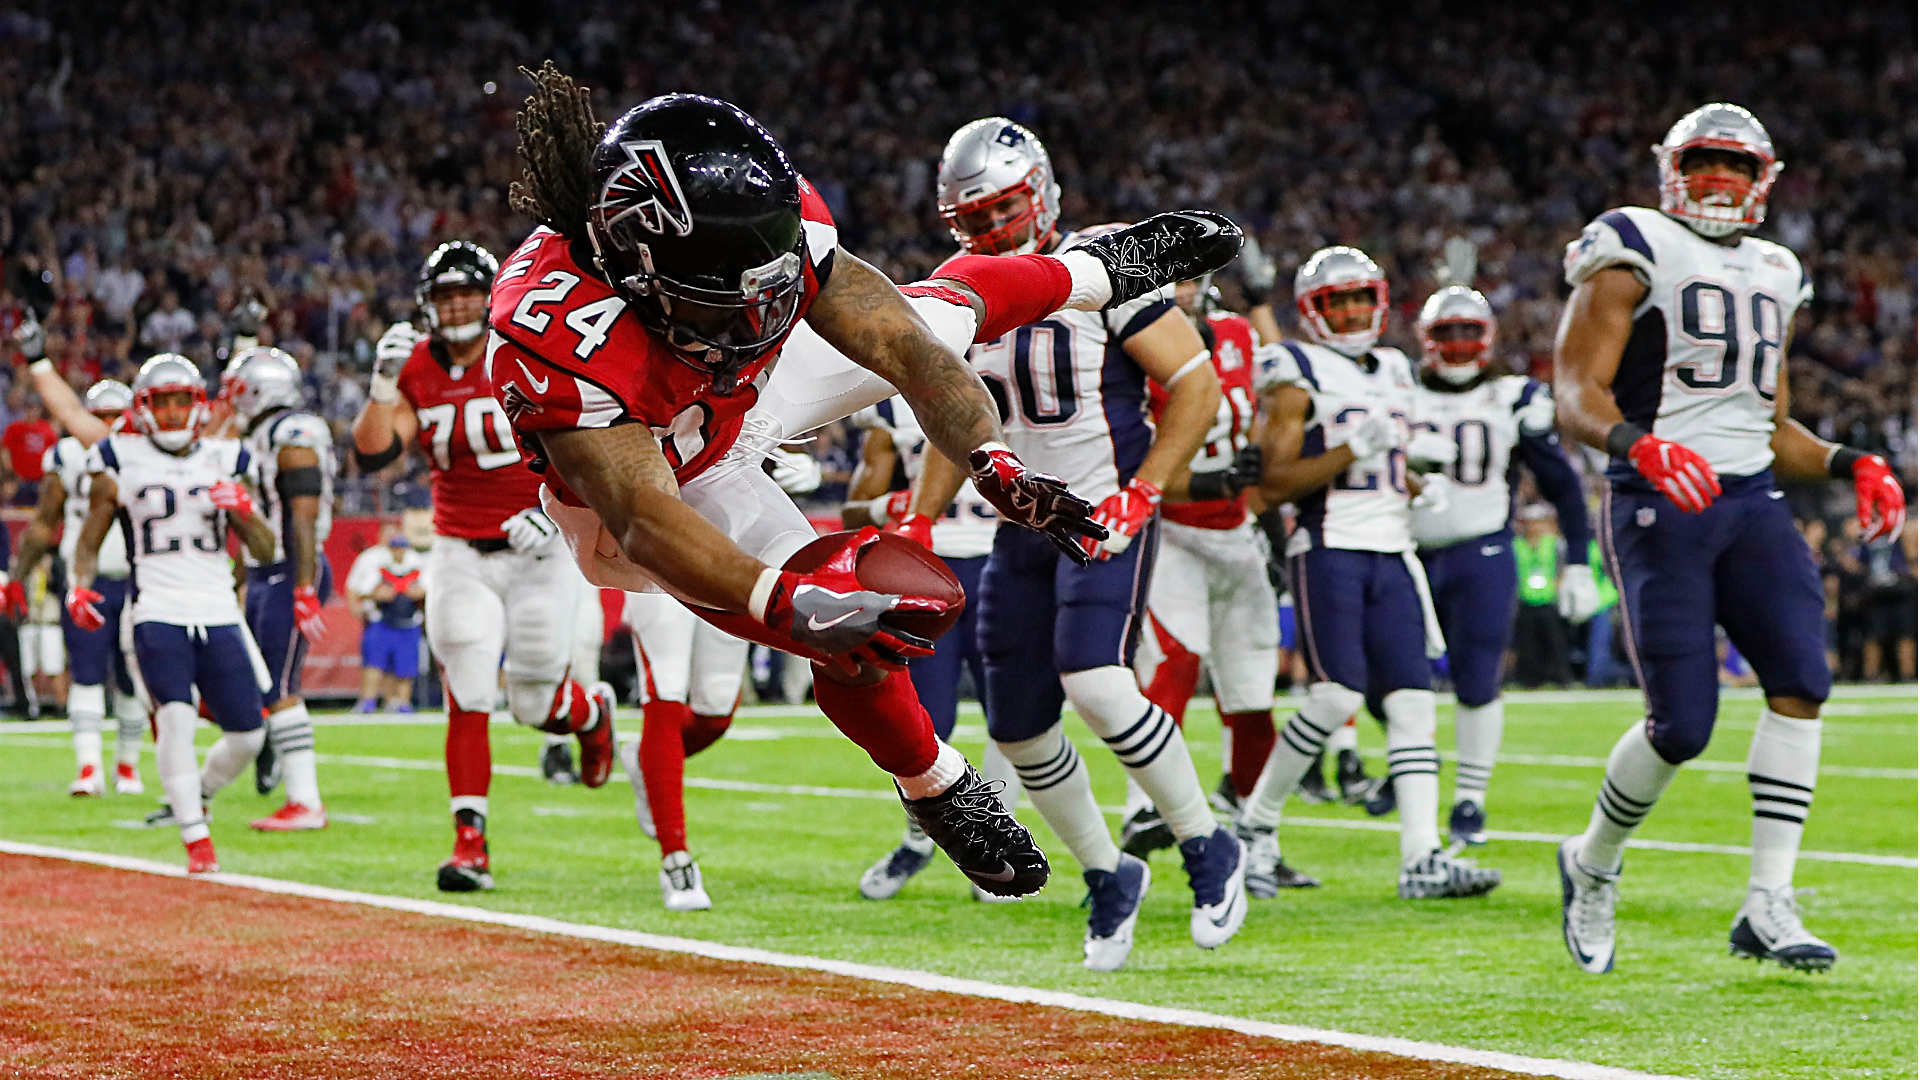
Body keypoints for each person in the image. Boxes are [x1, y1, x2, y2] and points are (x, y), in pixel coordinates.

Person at [484, 68, 1237, 909]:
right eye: (722, 303)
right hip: (664, 477)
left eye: (768, 293)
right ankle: (935, 783)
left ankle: (1099, 270)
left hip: (740, 397)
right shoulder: (553, 333)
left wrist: (994, 461)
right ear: (640, 269)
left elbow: (908, 348)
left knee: (941, 307)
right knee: (851, 608)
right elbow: (645, 517)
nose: (759, 318)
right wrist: (790, 603)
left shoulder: (772, 233)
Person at [1552, 102, 1905, 974]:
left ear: (1764, 180)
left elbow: (1772, 423)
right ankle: (1592, 860)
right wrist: (1639, 443)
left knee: (1802, 682)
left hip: (1751, 501)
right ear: (1673, 166)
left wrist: (1851, 459)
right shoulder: (1630, 240)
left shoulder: (1778, 269)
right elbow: (1573, 392)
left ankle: (1767, 904)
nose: (1719, 179)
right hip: (1658, 500)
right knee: (1682, 727)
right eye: (1705, 161)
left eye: (1735, 166)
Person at [900, 117, 1248, 971]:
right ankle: (1107, 872)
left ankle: (1207, 844)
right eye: (974, 221)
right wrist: (915, 522)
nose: (992, 233)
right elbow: (958, 425)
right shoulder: (962, 288)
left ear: (1043, 193)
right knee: (1016, 731)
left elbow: (1194, 383)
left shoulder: (1103, 261)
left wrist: (1145, 491)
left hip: (1103, 511)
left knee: (1095, 679)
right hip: (1023, 526)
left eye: (1004, 211)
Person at [1232, 245, 1503, 900]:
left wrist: (1414, 482)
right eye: (1336, 302)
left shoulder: (1394, 368)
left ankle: (1422, 858)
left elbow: (1383, 460)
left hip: (1393, 549)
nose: (1352, 312)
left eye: (1360, 299)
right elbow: (1272, 486)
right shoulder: (1294, 368)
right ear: (1311, 311)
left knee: (1412, 706)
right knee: (1334, 697)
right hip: (1330, 547)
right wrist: (1359, 446)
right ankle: (1255, 825)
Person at [352, 238, 616, 893]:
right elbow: (374, 456)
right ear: (427, 304)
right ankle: (469, 844)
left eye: (468, 291)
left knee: (532, 701)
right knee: (467, 692)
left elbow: (584, 432)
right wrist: (381, 387)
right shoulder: (414, 368)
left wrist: (556, 502)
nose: (458, 304)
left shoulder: (523, 346)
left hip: (538, 545)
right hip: (459, 549)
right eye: (445, 295)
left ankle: (588, 715)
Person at [1406, 284, 1597, 845]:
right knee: (1388, 678)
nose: (1460, 344)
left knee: (1477, 677)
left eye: (1470, 332)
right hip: (1403, 550)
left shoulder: (1515, 397)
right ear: (1426, 339)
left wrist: (1579, 562)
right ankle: (1408, 763)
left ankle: (1469, 800)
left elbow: (1562, 484)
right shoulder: (1396, 389)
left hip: (1481, 551)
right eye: (1448, 333)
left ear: (1487, 339)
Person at [70, 354, 276, 873]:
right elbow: (92, 532)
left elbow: (268, 549)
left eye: (182, 400)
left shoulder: (228, 457)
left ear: (198, 404)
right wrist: (79, 587)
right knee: (176, 719)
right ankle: (195, 839)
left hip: (218, 608)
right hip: (156, 608)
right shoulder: (119, 456)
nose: (172, 412)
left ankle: (198, 794)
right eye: (162, 403)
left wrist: (244, 511)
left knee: (249, 734)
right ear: (144, 408)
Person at [1126, 279, 1298, 878]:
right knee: (1173, 668)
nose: (1182, 288)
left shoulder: (1238, 335)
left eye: (1191, 276)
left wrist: (1257, 465)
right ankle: (1144, 809)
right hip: (1172, 530)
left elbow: (1277, 389)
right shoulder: (1129, 341)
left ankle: (1256, 836)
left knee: (1253, 693)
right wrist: (1211, 483)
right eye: (1168, 276)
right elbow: (1134, 466)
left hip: (1236, 533)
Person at [842, 395, 1020, 903]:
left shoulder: (1019, 382)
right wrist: (891, 506)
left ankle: (996, 845)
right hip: (929, 570)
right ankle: (920, 838)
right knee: (923, 723)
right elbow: (856, 505)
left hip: (1004, 560)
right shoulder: (897, 405)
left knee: (1011, 720)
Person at [12, 380, 147, 795]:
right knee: (86, 674)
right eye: (100, 417)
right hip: (85, 579)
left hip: (137, 579)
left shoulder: (144, 455)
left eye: (113, 416)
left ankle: (127, 766)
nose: (106, 425)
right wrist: (19, 575)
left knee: (131, 678)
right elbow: (44, 521)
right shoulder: (68, 455)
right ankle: (89, 768)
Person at [224, 346, 336, 831]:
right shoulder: (263, 433)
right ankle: (276, 761)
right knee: (264, 681)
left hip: (291, 568)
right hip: (270, 569)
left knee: (282, 683)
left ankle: (305, 802)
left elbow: (302, 516)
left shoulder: (294, 432)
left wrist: (304, 584)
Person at [615, 590, 748, 911]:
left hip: (725, 558)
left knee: (716, 711)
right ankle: (676, 859)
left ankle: (645, 762)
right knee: (665, 695)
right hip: (655, 561)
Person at [346, 530, 426, 713]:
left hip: (408, 619)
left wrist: (419, 593)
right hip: (381, 618)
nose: (399, 551)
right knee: (374, 663)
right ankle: (368, 701)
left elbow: (427, 588)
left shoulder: (416, 562)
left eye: (402, 547)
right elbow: (359, 588)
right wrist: (376, 594)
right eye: (395, 547)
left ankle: (401, 703)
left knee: (405, 666)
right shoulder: (375, 561)